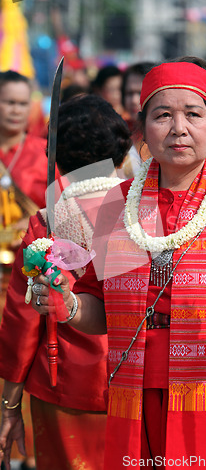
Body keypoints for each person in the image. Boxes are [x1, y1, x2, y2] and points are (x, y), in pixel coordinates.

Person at [29, 57, 206, 470]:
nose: (178, 128)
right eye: (163, 115)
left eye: (193, 114)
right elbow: (99, 311)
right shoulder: (115, 207)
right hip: (135, 396)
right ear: (142, 127)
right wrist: (65, 303)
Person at [0, 94, 131, 470]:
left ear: (56, 158)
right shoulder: (145, 211)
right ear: (121, 153)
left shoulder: (50, 219)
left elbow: (24, 319)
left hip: (64, 384)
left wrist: (10, 405)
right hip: (137, 381)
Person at [0, 70, 49, 470]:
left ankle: (26, 453)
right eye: (8, 102)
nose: (15, 110)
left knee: (23, 359)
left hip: (26, 282)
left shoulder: (39, 151)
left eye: (21, 103)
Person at [119, 62, 155, 178]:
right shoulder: (118, 131)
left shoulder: (166, 134)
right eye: (129, 93)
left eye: (140, 93)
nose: (134, 100)